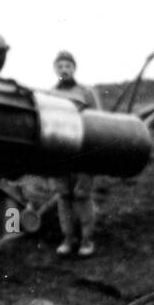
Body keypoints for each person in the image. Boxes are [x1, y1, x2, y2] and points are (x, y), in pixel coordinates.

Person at [50, 50, 101, 258]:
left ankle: (87, 240)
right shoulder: (50, 94)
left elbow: (99, 121)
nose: (64, 70)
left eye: (68, 66)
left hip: (84, 150)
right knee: (63, 196)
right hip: (60, 152)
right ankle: (68, 239)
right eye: (60, 66)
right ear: (55, 69)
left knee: (82, 195)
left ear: (74, 69)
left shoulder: (86, 93)